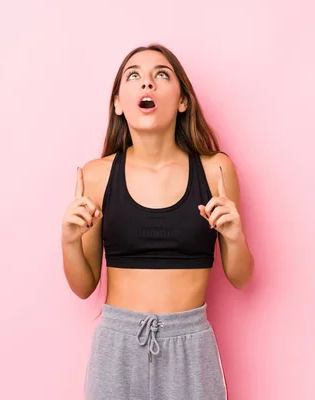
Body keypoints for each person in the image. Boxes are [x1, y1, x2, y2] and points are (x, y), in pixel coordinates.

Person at [61, 43, 254, 400]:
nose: (146, 83)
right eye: (133, 75)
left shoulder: (216, 171)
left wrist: (235, 236)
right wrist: (69, 240)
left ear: (183, 101)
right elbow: (84, 286)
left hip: (190, 345)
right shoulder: (98, 176)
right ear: (118, 103)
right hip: (117, 345)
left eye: (161, 75)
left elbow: (241, 278)